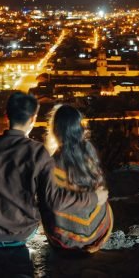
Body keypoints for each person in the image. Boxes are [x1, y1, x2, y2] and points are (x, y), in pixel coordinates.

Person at [0, 92, 108, 249]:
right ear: (33, 119)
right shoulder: (38, 152)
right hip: (23, 232)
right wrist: (94, 198)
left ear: (6, 116)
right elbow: (53, 201)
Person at [41, 104, 113, 253]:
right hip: (97, 233)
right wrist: (93, 198)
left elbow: (54, 203)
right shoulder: (89, 150)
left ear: (55, 131)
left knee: (43, 199)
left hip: (65, 240)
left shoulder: (51, 163)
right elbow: (100, 189)